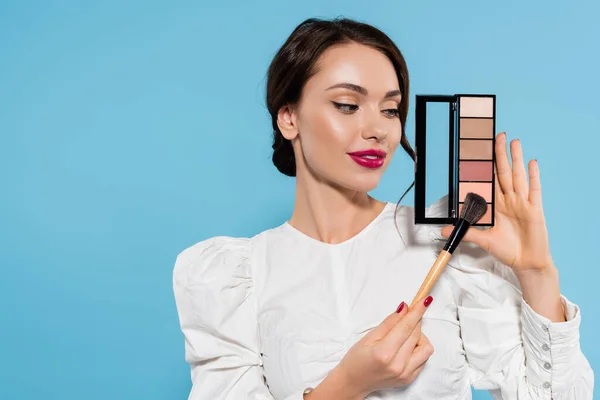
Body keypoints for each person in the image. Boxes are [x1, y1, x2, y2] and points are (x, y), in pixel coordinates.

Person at [172, 17, 594, 399]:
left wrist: (537, 272)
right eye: (347, 105)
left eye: (390, 109)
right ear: (289, 119)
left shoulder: (448, 240)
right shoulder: (232, 278)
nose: (377, 130)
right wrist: (348, 384)